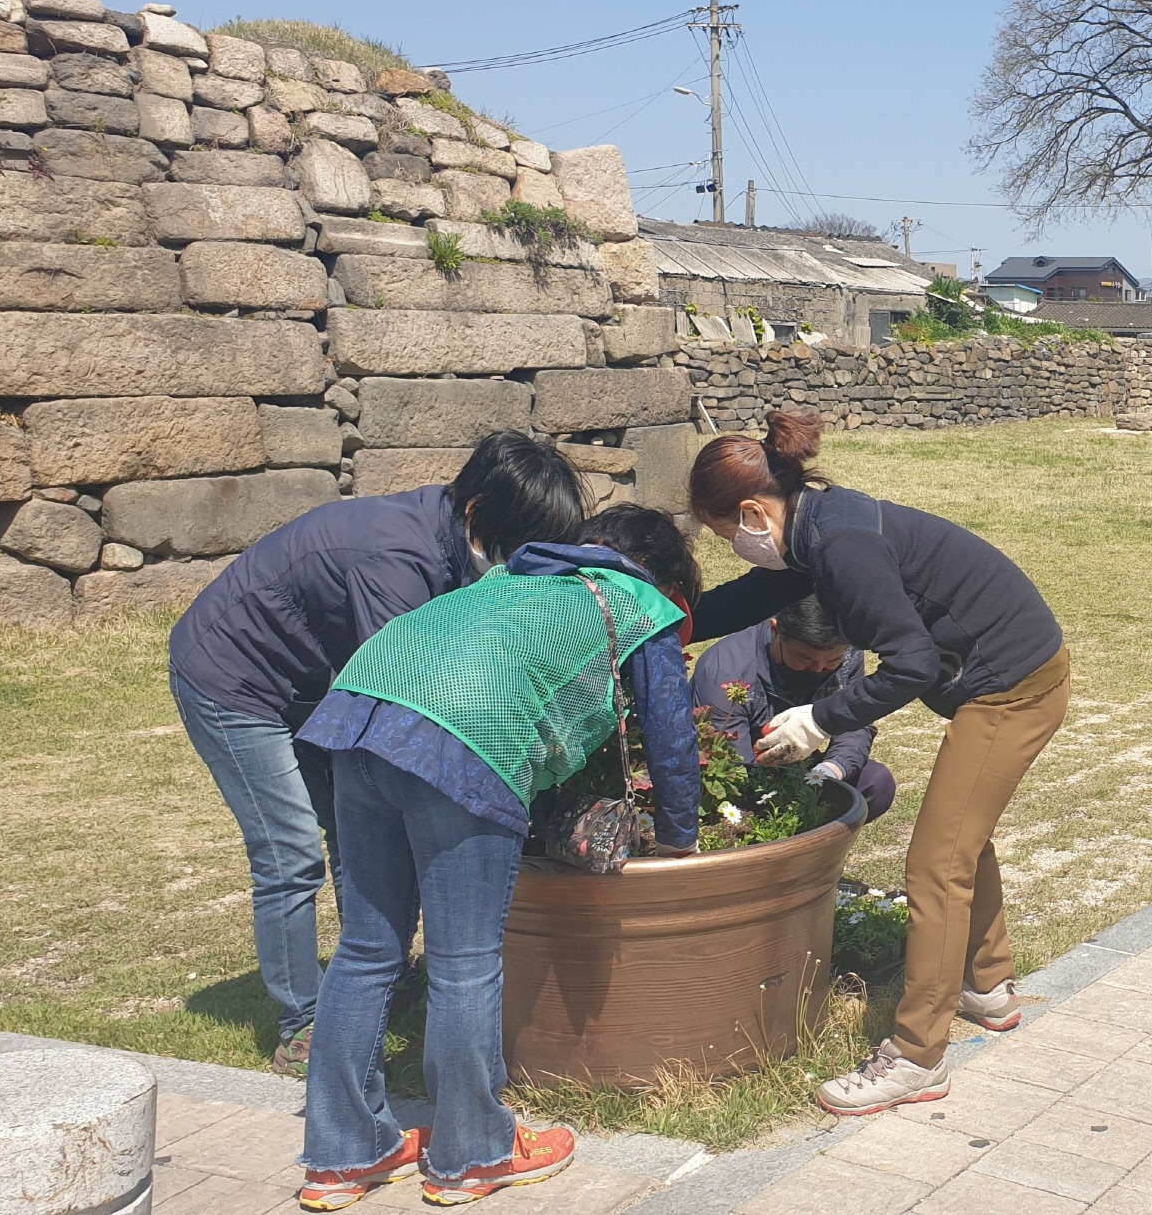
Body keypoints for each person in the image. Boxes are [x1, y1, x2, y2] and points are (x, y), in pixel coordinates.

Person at [290, 504, 705, 1210]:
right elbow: (669, 734)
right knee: (464, 961)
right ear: (663, 578)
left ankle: (343, 1154)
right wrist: (681, 838)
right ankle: (474, 1153)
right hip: (459, 743)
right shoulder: (639, 600)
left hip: (357, 717)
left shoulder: (510, 576)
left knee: (365, 948)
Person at [167, 431, 586, 1077]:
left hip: (313, 681)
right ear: (477, 514)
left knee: (350, 829)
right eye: (514, 548)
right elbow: (405, 693)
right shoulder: (394, 558)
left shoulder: (448, 539)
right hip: (233, 679)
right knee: (290, 852)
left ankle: (374, 978)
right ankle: (304, 1023)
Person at [686, 412, 1068, 1117]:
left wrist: (819, 719)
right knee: (960, 839)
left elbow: (912, 663)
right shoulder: (809, 530)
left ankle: (918, 1058)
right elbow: (745, 600)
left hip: (1014, 685)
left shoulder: (843, 546)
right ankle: (986, 985)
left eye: (724, 536)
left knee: (935, 864)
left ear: (750, 511)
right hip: (1000, 673)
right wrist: (668, 619)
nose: (734, 549)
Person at [691, 595, 898, 821]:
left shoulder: (847, 651)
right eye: (805, 658)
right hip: (739, 769)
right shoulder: (726, 672)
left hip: (800, 765)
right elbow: (733, 765)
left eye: (832, 661)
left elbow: (855, 720)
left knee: (876, 783)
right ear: (776, 630)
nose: (819, 668)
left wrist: (832, 769)